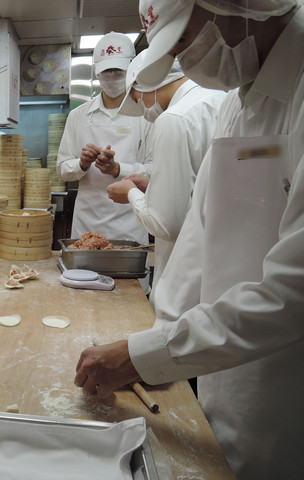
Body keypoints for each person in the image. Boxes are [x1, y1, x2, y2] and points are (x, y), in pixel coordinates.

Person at [74, 1, 304, 478]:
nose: (184, 57)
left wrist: (150, 354)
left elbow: (295, 290)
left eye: (181, 38)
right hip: (222, 370)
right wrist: (154, 346)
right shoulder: (239, 101)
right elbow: (203, 228)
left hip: (285, 388)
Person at [106, 53, 225, 304]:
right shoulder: (218, 100)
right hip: (221, 260)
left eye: (138, 99)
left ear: (150, 84)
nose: (144, 110)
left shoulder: (174, 119)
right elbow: (204, 188)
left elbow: (166, 224)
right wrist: (153, 187)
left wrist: (130, 192)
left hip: (187, 271)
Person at [56, 32, 153, 247]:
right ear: (96, 72)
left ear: (131, 69)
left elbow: (156, 171)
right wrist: (82, 164)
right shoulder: (78, 116)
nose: (112, 76)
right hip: (86, 224)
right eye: (106, 71)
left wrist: (118, 169)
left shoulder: (146, 115)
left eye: (118, 71)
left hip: (130, 224)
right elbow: (62, 169)